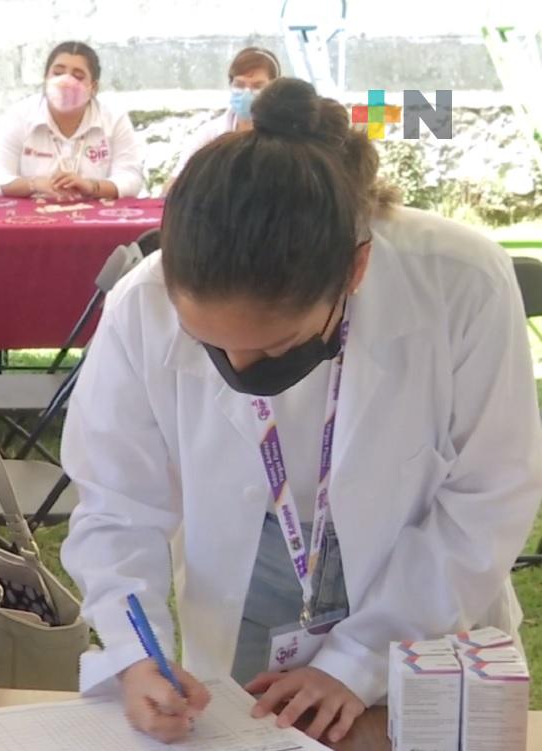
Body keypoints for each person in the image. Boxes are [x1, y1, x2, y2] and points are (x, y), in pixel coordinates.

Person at [60, 78, 542, 745]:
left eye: (275, 346)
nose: (243, 373)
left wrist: (358, 660)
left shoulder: (461, 283)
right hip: (253, 571)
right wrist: (134, 649)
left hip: (427, 590)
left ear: (356, 269)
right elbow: (118, 504)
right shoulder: (142, 307)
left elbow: (488, 496)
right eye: (213, 348)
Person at [0, 41, 144, 200]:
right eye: (58, 73)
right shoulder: (19, 115)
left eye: (78, 76)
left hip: (94, 217)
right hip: (32, 219)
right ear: (45, 78)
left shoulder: (113, 118)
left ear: (93, 88)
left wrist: (92, 187)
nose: (66, 82)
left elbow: (131, 178)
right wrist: (34, 185)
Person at [162, 47, 280, 194]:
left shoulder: (285, 137)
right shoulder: (209, 134)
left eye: (258, 86)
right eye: (240, 85)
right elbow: (173, 187)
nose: (247, 93)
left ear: (275, 88)